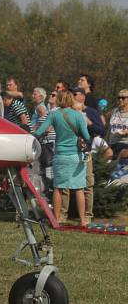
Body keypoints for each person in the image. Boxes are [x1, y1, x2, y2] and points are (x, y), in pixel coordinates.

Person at [32, 90, 91, 227]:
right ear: (71, 100)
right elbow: (87, 137)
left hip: (60, 155)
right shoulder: (78, 115)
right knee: (79, 188)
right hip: (76, 156)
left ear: (59, 100)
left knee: (58, 188)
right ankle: (83, 220)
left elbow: (39, 132)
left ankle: (56, 219)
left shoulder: (53, 115)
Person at [107, 89, 128, 159]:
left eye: (123, 98)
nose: (120, 100)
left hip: (125, 145)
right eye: (119, 98)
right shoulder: (114, 111)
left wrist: (126, 132)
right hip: (112, 144)